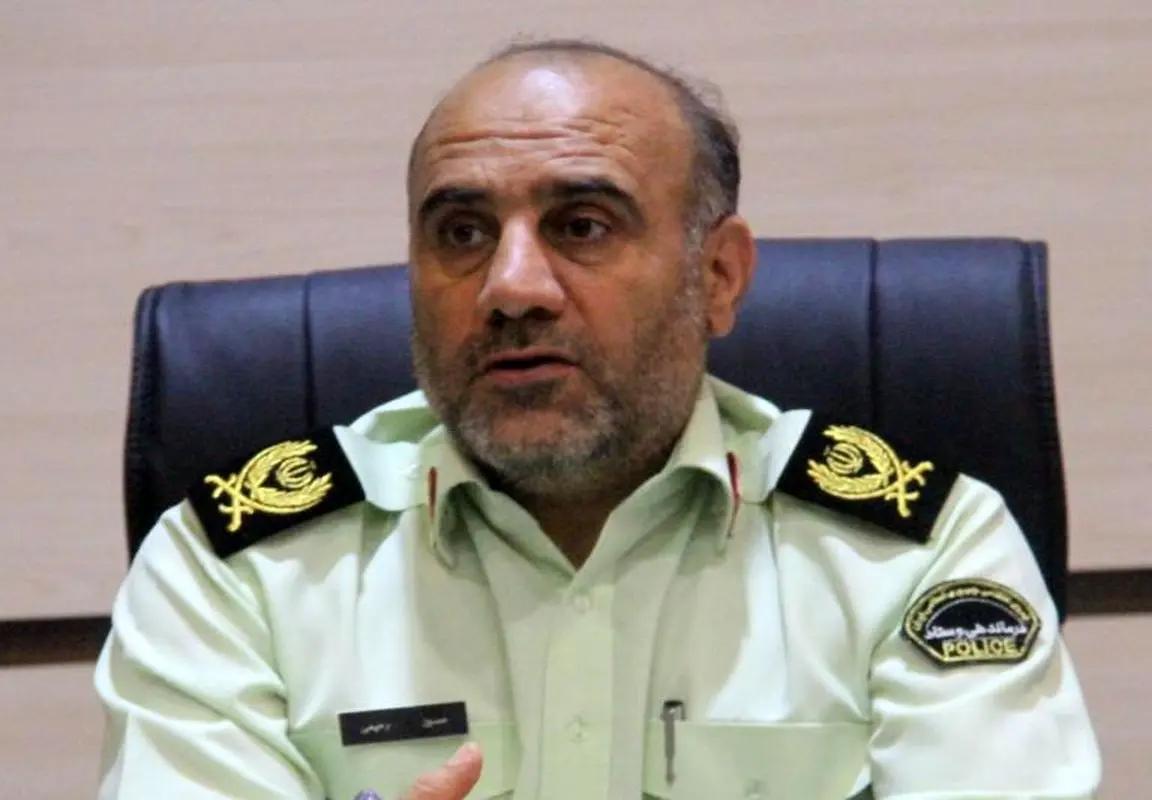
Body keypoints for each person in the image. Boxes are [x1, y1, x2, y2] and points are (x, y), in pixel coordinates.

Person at [94, 39, 1102, 799]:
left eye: (582, 225)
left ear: (718, 276)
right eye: (461, 232)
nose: (510, 286)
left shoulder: (921, 553)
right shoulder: (234, 570)